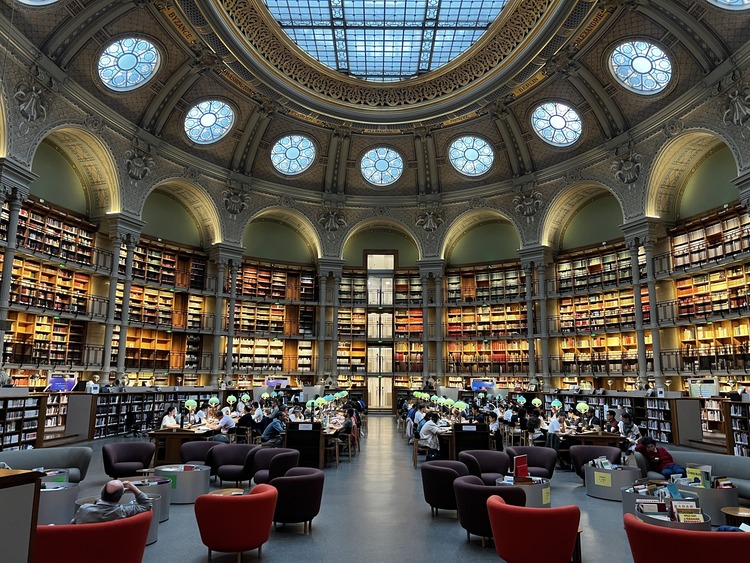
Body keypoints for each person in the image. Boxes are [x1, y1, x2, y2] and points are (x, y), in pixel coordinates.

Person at [72, 479, 152, 524]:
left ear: (102, 491)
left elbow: (73, 527)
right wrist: (133, 488)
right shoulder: (122, 512)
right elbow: (146, 505)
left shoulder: (84, 509)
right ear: (120, 496)